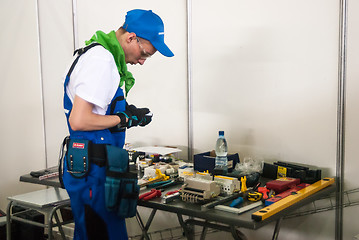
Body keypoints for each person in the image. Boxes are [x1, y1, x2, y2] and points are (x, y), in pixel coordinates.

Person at [61, 9, 174, 240]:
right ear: (131, 37)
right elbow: (79, 120)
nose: (143, 61)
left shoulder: (95, 54)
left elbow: (96, 113)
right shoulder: (101, 61)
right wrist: (123, 119)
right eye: (146, 54)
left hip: (94, 166)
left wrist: (127, 116)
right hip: (94, 171)